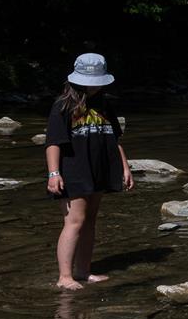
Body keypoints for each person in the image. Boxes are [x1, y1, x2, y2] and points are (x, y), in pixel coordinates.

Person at [45, 53, 133, 290]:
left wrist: (125, 167)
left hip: (99, 168)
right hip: (73, 169)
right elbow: (53, 142)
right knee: (75, 221)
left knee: (90, 220)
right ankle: (65, 277)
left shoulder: (104, 103)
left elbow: (115, 139)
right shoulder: (64, 104)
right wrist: (54, 174)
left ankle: (83, 271)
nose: (94, 87)